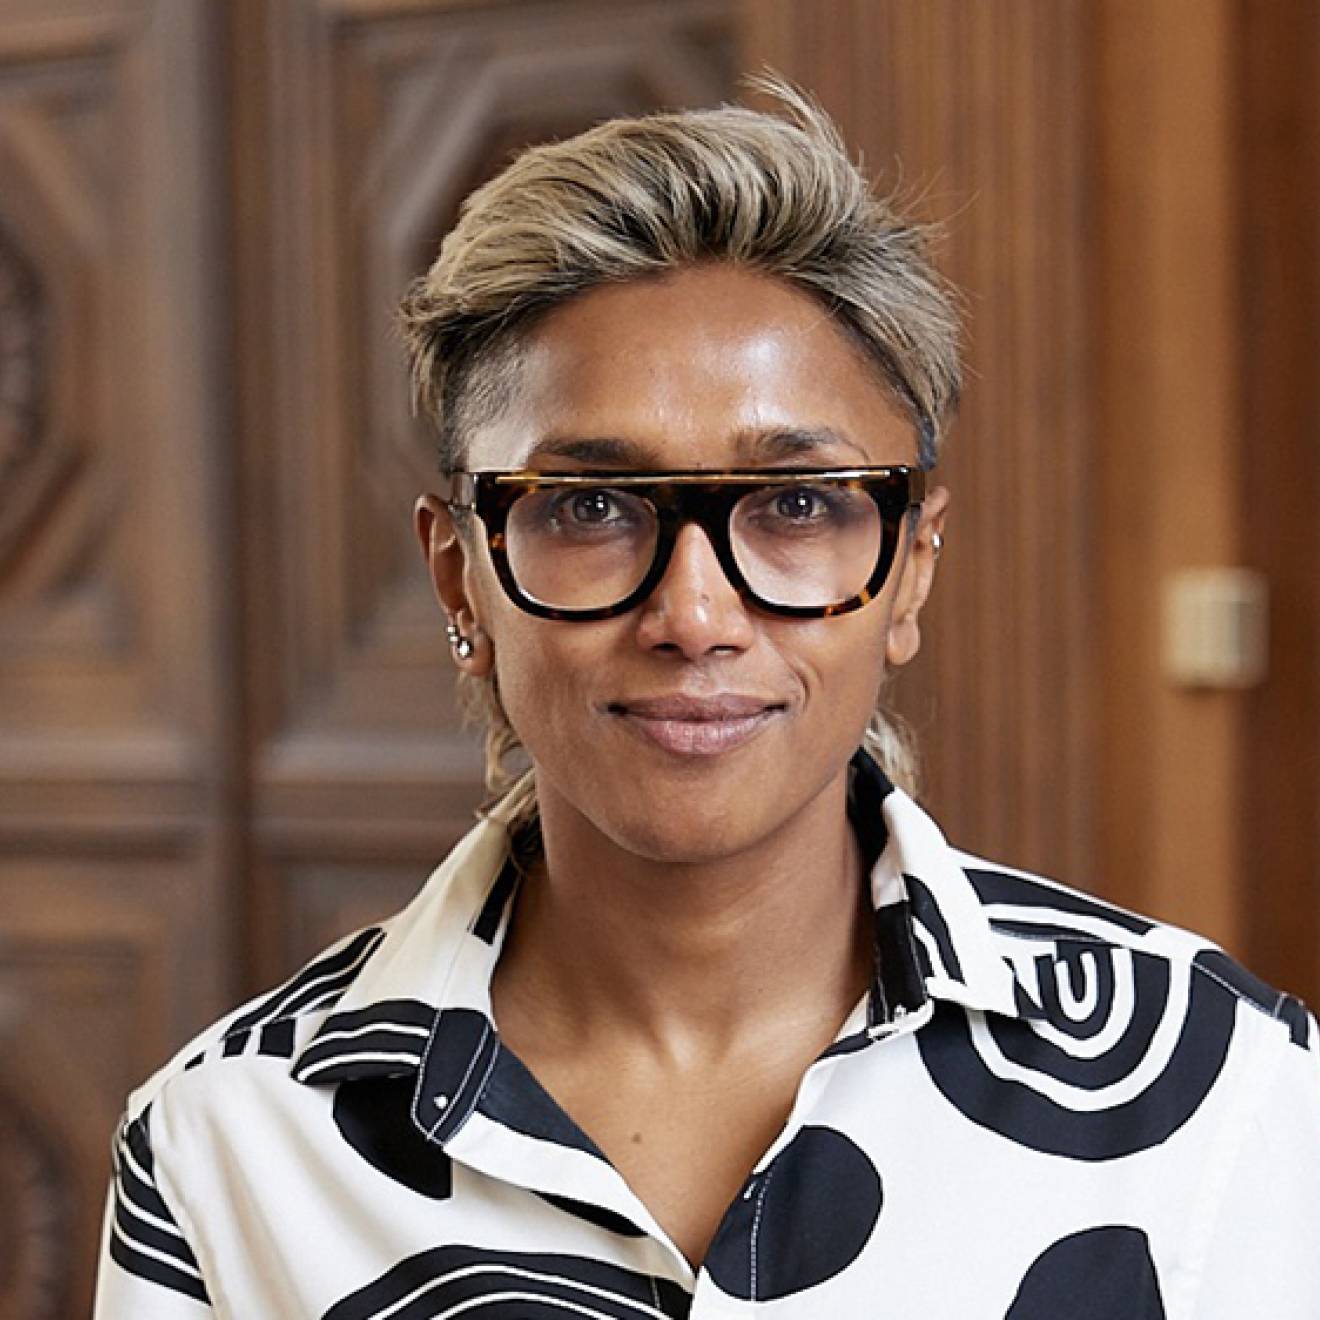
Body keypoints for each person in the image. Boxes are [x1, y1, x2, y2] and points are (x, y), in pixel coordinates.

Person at [95, 82, 1320, 1318]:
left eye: (796, 506)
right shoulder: (231, 1148)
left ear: (908, 569)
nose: (693, 617)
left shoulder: (1227, 1097)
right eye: (588, 506)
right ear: (458, 572)